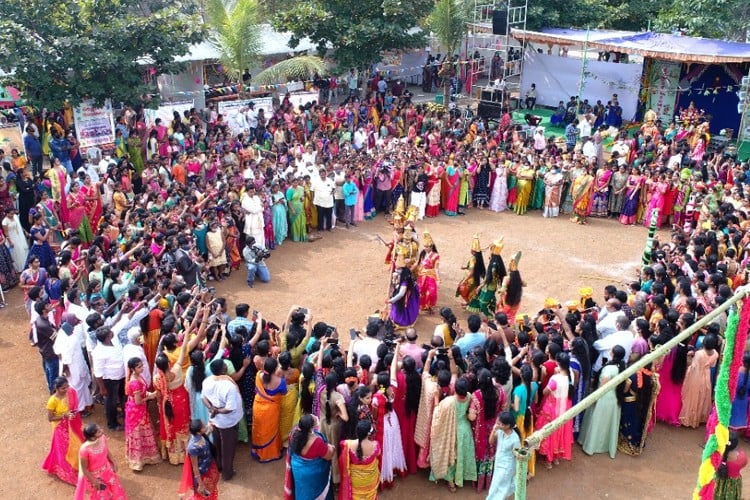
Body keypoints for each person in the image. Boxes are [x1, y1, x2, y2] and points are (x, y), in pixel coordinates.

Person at [429, 376, 477, 492]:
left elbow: (437, 415)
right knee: (462, 454)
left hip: (452, 431)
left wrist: (436, 398)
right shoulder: (470, 396)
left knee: (451, 455)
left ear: (455, 389)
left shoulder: (448, 402)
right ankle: (460, 477)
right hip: (465, 430)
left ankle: (451, 482)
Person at [578, 345, 626, 458]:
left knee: (597, 421)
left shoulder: (609, 368)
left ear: (613, 354)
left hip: (603, 397)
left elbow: (603, 383)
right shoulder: (621, 366)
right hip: (613, 398)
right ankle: (603, 445)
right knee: (606, 424)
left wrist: (595, 396)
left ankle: (591, 446)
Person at [153, 332, 192, 465]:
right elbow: (183, 352)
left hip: (167, 403)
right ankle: (185, 452)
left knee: (171, 425)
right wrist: (186, 332)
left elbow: (158, 394)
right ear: (169, 363)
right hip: (181, 400)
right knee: (183, 424)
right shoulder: (176, 370)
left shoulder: (157, 378)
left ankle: (173, 455)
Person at [202, 358, 243, 481]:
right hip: (228, 422)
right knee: (228, 448)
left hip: (215, 420)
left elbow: (204, 398)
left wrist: (211, 408)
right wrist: (217, 410)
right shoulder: (228, 386)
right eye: (224, 365)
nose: (226, 365)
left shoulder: (207, 381)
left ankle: (219, 466)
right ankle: (227, 473)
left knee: (218, 444)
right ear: (223, 369)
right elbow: (230, 408)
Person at [42, 376, 85, 485]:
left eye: (67, 387)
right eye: (63, 388)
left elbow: (74, 407)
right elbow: (50, 418)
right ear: (56, 388)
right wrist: (64, 416)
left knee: (76, 445)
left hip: (70, 425)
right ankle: (67, 472)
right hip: (60, 428)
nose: (66, 390)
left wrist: (71, 415)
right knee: (64, 449)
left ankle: (77, 466)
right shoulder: (52, 400)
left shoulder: (70, 392)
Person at [535, 352, 574, 468]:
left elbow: (545, 392)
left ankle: (549, 458)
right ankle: (556, 457)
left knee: (549, 431)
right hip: (564, 407)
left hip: (552, 408)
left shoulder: (555, 379)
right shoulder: (570, 375)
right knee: (559, 431)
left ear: (558, 363)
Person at [284, 414, 335, 500]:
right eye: (315, 420)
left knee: (302, 490)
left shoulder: (293, 433)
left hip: (299, 472)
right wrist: (332, 447)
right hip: (313, 476)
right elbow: (329, 456)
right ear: (311, 428)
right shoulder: (316, 442)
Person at [124, 357, 161, 471]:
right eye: (139, 367)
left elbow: (142, 393)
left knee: (142, 431)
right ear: (133, 369)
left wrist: (148, 394)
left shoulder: (138, 376)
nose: (142, 368)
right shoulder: (134, 382)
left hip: (140, 409)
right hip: (136, 410)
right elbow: (138, 401)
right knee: (139, 432)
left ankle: (145, 456)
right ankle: (139, 460)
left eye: (141, 365)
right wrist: (151, 396)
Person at [74, 424, 127, 500]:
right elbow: (84, 469)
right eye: (98, 431)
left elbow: (106, 449)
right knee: (102, 495)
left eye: (100, 428)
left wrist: (113, 461)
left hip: (107, 471)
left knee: (115, 491)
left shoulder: (102, 437)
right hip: (96, 477)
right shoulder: (85, 449)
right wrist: (94, 482)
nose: (101, 431)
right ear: (92, 437)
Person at [470, 368, 503, 492]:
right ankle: (489, 483)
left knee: (481, 456)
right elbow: (503, 409)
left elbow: (472, 416)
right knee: (490, 456)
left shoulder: (476, 395)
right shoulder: (499, 392)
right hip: (494, 428)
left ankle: (478, 483)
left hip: (481, 430)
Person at [618, 363, 660, 456]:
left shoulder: (632, 376)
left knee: (627, 421)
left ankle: (627, 443)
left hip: (629, 402)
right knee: (636, 422)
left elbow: (625, 390)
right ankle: (635, 442)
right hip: (641, 404)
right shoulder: (651, 378)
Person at [252, 356, 288, 462]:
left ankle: (258, 452)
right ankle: (271, 453)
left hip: (258, 406)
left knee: (259, 429)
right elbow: (284, 393)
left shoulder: (258, 375)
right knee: (272, 429)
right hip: (272, 409)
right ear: (275, 369)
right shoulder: (281, 382)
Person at [679, 333, 719, 428]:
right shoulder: (716, 354)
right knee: (703, 396)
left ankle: (689, 419)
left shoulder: (699, 354)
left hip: (696, 375)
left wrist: (689, 357)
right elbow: (712, 365)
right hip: (706, 375)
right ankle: (700, 418)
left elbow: (693, 366)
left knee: (692, 396)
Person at [178, 420, 221, 500]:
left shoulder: (200, 436)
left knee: (210, 491)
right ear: (198, 432)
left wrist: (209, 431)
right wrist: (200, 484)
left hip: (208, 467)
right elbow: (195, 467)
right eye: (203, 426)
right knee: (204, 495)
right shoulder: (193, 447)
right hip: (202, 475)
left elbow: (204, 441)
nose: (205, 425)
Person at [339, 420, 381, 500]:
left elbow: (342, 444)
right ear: (369, 433)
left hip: (356, 482)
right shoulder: (375, 445)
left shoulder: (348, 444)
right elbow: (378, 454)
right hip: (370, 481)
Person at [486, 411, 521, 500]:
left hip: (507, 467)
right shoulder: (500, 431)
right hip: (498, 463)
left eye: (501, 423)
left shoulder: (515, 439)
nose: (499, 424)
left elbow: (517, 456)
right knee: (497, 486)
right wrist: (494, 430)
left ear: (508, 425)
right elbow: (491, 441)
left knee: (498, 488)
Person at [512, 364, 538, 477]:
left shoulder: (518, 390)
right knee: (529, 442)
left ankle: (518, 469)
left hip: (519, 418)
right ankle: (530, 469)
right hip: (529, 414)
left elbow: (516, 408)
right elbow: (535, 400)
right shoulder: (534, 385)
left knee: (519, 442)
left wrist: (510, 404)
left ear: (521, 375)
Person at [387, 249, 420, 328]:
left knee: (402, 307)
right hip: (400, 292)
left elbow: (401, 294)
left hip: (406, 295)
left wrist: (391, 300)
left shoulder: (404, 278)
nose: (396, 269)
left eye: (398, 268)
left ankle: (403, 320)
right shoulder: (401, 273)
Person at [715, 431, 747, 500]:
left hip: (720, 480)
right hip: (733, 482)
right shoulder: (742, 457)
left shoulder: (718, 456)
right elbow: (744, 464)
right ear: (736, 444)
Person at [456, 235, 485, 307]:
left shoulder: (473, 259)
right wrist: (466, 267)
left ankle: (469, 303)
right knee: (470, 292)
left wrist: (464, 280)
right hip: (476, 278)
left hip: (471, 279)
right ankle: (469, 302)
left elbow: (471, 272)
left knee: (461, 289)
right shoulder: (478, 258)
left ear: (472, 250)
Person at [417, 231, 439, 313]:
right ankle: (422, 305)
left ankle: (429, 306)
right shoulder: (423, 253)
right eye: (424, 246)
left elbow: (436, 268)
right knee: (421, 291)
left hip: (431, 275)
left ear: (431, 246)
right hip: (422, 275)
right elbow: (418, 263)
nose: (425, 248)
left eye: (427, 247)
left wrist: (438, 279)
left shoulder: (436, 256)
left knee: (432, 292)